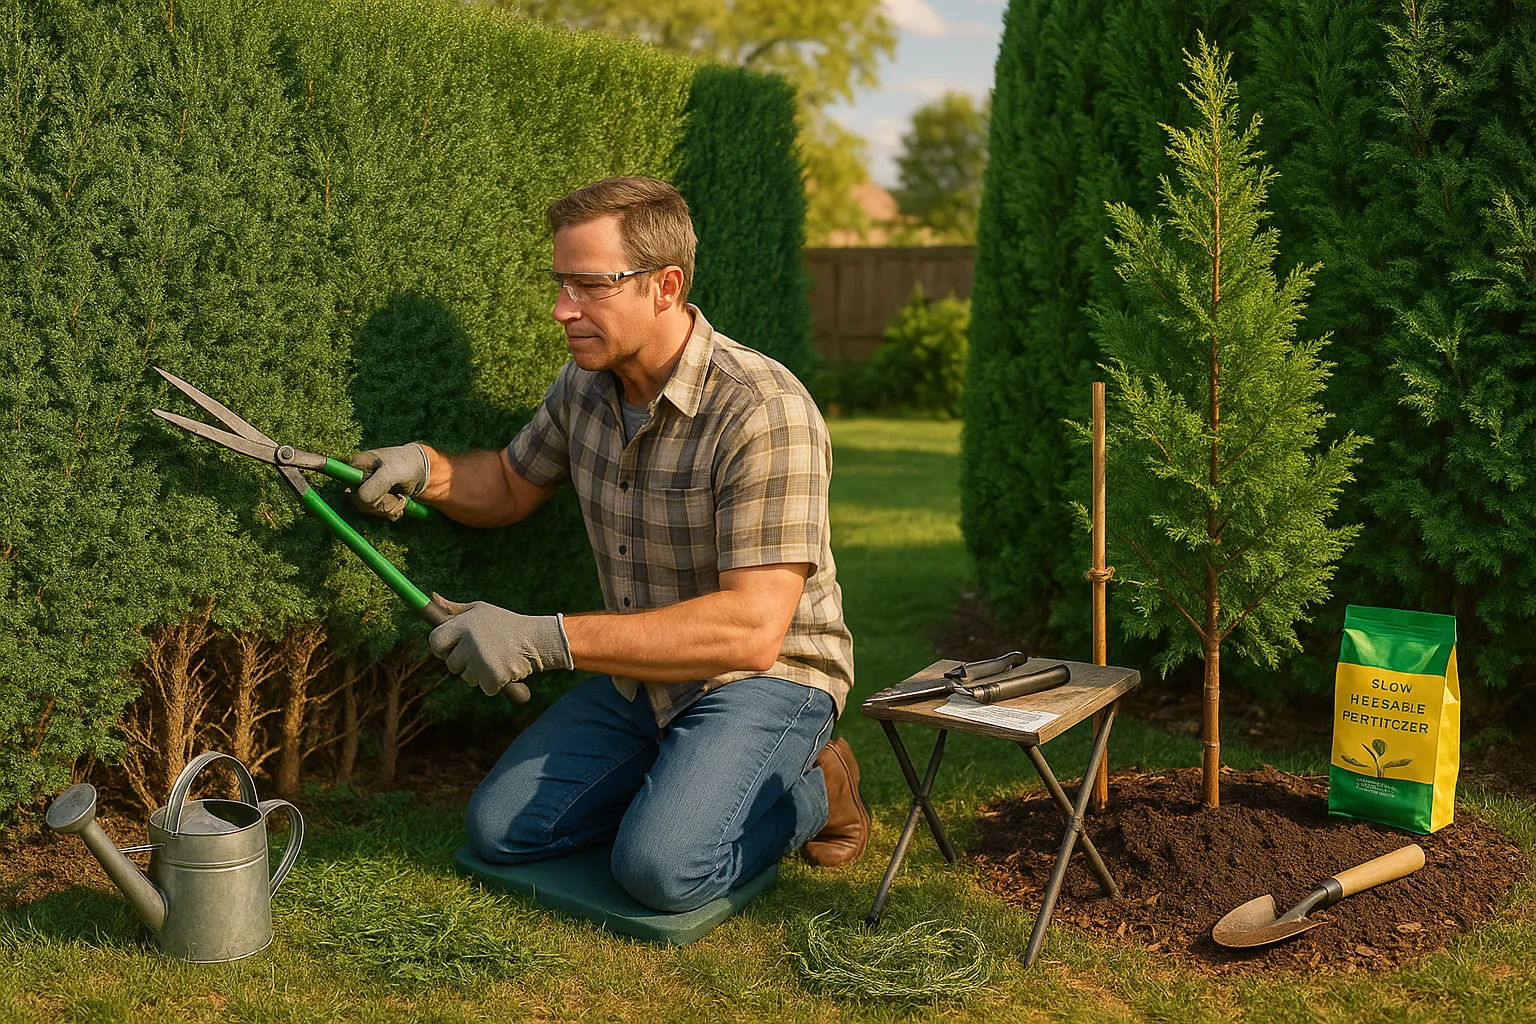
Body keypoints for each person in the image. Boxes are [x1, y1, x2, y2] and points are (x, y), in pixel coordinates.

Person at [347, 176, 869, 913]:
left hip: (768, 678)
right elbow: (509, 483)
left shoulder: (763, 411)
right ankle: (685, 781)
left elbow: (752, 631)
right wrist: (423, 468)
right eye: (562, 284)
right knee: (500, 830)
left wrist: (543, 639)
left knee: (663, 870)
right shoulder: (584, 387)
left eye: (591, 286)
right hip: (642, 676)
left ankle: (818, 788)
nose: (563, 309)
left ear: (666, 286)